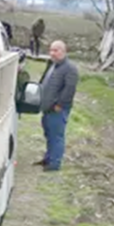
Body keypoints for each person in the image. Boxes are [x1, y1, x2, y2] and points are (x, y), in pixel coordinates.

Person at [37, 40, 79, 172]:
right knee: (49, 134)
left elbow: (69, 89)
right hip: (47, 108)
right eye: (51, 50)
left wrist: (59, 105)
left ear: (64, 51)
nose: (52, 53)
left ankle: (54, 164)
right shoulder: (52, 65)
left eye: (56, 50)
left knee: (56, 136)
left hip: (57, 110)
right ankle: (48, 158)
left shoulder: (70, 68)